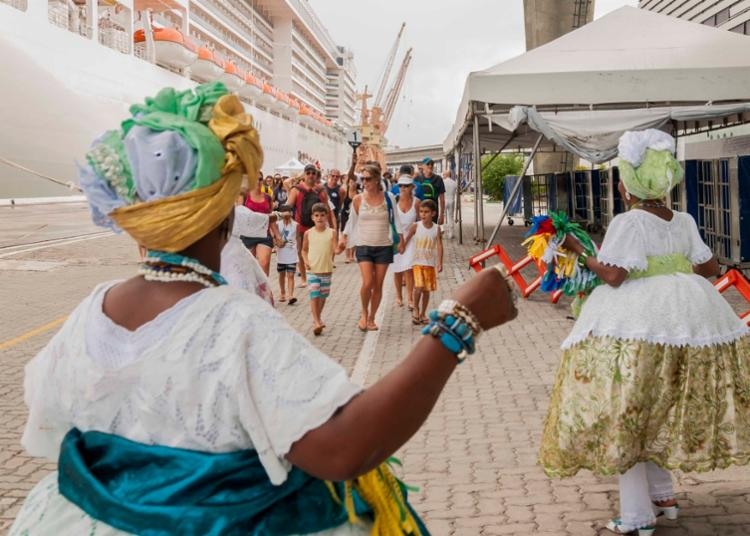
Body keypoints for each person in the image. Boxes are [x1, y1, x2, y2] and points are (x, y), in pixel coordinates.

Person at [10, 82, 521, 535]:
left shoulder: (88, 313)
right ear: (223, 214)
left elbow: (55, 427)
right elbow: (345, 447)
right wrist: (459, 320)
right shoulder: (231, 321)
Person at [538, 129, 750, 536]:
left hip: (636, 324)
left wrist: (578, 249)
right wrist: (675, 263)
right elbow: (709, 268)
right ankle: (664, 495)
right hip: (687, 319)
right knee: (659, 405)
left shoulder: (628, 221)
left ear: (628, 184)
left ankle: (637, 515)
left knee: (629, 410)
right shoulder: (684, 219)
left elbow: (615, 275)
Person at [339, 165, 404, 332]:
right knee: (367, 282)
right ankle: (363, 312)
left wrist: (401, 239)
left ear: (377, 179)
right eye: (363, 179)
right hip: (364, 245)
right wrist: (343, 237)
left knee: (378, 284)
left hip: (384, 245)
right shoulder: (358, 199)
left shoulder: (389, 197)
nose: (364, 182)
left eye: (368, 179)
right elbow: (351, 222)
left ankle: (372, 318)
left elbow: (396, 220)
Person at [287, 163, 331, 285]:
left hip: (317, 227)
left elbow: (327, 209)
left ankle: (315, 273)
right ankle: (304, 278)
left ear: (316, 175)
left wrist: (331, 226)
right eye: (308, 173)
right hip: (300, 226)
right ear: (304, 175)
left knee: (317, 250)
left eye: (313, 173)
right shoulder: (296, 189)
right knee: (301, 251)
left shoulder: (321, 190)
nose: (311, 175)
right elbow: (289, 206)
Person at [404, 200, 443, 325]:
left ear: (433, 213)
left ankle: (422, 313)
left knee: (426, 290)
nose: (423, 214)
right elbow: (407, 238)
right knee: (419, 287)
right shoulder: (416, 226)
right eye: (421, 212)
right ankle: (416, 308)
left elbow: (439, 245)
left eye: (426, 212)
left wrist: (440, 262)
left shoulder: (436, 229)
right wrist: (401, 247)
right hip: (417, 262)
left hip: (430, 264)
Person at [302, 203, 336, 336]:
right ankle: (316, 322)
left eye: (322, 215)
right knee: (314, 295)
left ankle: (318, 318)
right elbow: (303, 250)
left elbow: (335, 249)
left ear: (327, 216)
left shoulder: (332, 233)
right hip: (312, 270)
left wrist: (341, 248)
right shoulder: (308, 233)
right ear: (312, 217)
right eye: (316, 215)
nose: (319, 218)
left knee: (322, 297)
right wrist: (306, 262)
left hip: (326, 270)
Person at [392, 174, 420, 309]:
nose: (403, 188)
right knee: (397, 269)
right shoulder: (394, 201)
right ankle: (398, 296)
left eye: (406, 185)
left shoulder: (417, 202)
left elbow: (419, 224)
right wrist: (398, 241)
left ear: (412, 187)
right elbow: (390, 223)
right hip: (396, 240)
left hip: (411, 239)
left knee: (409, 269)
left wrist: (407, 241)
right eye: (401, 185)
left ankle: (410, 297)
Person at [242, 175, 278, 275]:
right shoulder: (245, 195)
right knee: (249, 266)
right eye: (255, 178)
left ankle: (265, 288)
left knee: (264, 263)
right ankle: (252, 288)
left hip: (264, 234)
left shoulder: (267, 197)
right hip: (248, 235)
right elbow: (238, 214)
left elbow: (271, 218)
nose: (258, 181)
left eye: (260, 179)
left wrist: (277, 235)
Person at [275, 204, 298, 305]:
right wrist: (277, 243)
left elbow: (299, 239)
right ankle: (282, 293)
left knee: (291, 275)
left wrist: (300, 252)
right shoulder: (277, 224)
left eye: (289, 214)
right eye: (284, 215)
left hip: (292, 254)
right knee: (281, 274)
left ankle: (291, 295)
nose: (287, 217)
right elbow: (274, 238)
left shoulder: (296, 225)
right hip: (281, 254)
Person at [415, 157, 446, 225]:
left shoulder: (438, 179)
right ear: (423, 166)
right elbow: (413, 197)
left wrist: (442, 215)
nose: (430, 165)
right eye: (428, 164)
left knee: (433, 233)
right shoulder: (417, 179)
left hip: (433, 213)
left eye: (432, 164)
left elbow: (442, 199)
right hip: (420, 212)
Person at [339, 175, 358, 264]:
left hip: (355, 216)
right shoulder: (344, 192)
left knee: (354, 234)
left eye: (354, 182)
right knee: (345, 234)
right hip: (345, 215)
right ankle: (347, 256)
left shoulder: (358, 193)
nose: (352, 184)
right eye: (350, 182)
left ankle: (352, 255)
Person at [443, 169, 458, 239]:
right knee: (450, 217)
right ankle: (451, 234)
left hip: (444, 200)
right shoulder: (454, 183)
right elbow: (458, 192)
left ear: (446, 175)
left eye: (444, 174)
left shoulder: (443, 182)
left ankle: (441, 232)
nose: (443, 176)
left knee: (442, 216)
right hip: (452, 200)